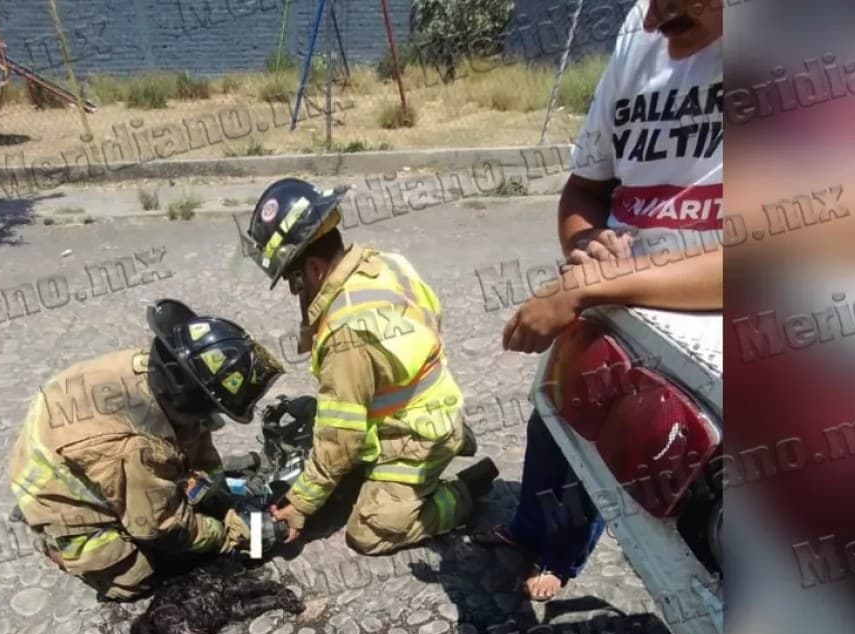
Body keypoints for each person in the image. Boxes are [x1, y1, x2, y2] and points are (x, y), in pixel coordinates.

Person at [488, 0, 724, 600]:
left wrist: (587, 285)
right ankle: (530, 527)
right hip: (608, 307)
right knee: (556, 426)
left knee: (677, 504)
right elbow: (585, 189)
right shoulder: (639, 26)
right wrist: (588, 248)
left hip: (711, 346)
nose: (652, 17)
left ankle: (560, 558)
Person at [236, 177, 500, 555]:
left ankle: (459, 496)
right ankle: (444, 436)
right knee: (320, 424)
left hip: (415, 433)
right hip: (431, 399)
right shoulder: (383, 263)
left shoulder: (347, 332)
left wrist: (299, 506)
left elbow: (340, 440)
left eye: (294, 282)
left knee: (371, 530)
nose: (296, 293)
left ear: (314, 269)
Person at [5, 299, 285, 601]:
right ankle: (56, 540)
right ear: (190, 398)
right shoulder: (135, 447)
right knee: (138, 577)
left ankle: (120, 495)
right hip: (58, 483)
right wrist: (241, 535)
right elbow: (162, 527)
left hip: (69, 443)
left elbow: (197, 440)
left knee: (177, 477)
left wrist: (218, 496)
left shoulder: (161, 369)